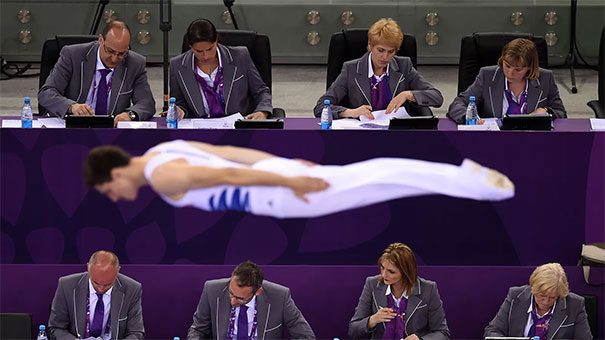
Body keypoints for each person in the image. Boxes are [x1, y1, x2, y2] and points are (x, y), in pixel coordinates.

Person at [83, 139, 515, 219]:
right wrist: (284, 163)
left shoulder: (162, 178)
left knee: (375, 177)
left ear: (116, 172)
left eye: (109, 190)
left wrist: (289, 182)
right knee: (377, 184)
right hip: (274, 174)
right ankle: (466, 183)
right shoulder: (162, 150)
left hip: (275, 195)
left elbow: (227, 172)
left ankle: (469, 179)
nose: (117, 198)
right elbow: (232, 151)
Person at [313, 18, 443, 119]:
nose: (385, 57)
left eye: (391, 52)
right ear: (370, 45)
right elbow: (320, 108)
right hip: (362, 134)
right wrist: (350, 112)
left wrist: (409, 94)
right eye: (380, 50)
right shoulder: (351, 69)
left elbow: (437, 98)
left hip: (395, 133)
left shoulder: (404, 66)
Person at [38, 21, 155, 126]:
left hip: (111, 132)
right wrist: (71, 107)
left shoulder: (135, 63)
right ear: (100, 40)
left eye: (121, 54)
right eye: (110, 51)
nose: (114, 59)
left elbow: (147, 103)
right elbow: (46, 93)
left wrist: (131, 115)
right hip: (74, 128)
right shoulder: (72, 55)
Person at [169, 18, 272, 120]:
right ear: (190, 46)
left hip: (238, 126)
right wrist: (180, 111)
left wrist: (262, 111)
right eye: (199, 51)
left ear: (216, 40)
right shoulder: (177, 66)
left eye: (210, 49)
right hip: (201, 128)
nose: (206, 56)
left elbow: (261, 91)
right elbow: (180, 103)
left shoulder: (240, 57)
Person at [186, 260, 316, 339]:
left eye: (240, 299)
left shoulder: (280, 297)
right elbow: (197, 330)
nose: (233, 301)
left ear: (258, 291)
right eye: (231, 293)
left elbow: (305, 336)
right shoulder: (212, 290)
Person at [448, 38, 566, 124]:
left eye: (518, 69)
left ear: (530, 67)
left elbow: (561, 113)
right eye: (507, 66)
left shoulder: (545, 78)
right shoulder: (487, 75)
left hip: (532, 139)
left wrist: (546, 111)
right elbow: (459, 104)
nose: (510, 73)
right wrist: (468, 117)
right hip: (494, 139)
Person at [349, 243, 450, 340]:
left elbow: (442, 333)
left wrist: (421, 339)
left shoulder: (428, 289)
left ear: (406, 272)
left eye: (391, 272)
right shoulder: (372, 284)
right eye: (382, 267)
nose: (384, 275)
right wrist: (373, 320)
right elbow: (353, 329)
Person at [47, 250, 144, 340]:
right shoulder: (67, 285)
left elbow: (136, 333)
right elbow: (56, 328)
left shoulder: (132, 289)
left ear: (118, 270)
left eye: (107, 284)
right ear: (88, 267)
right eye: (96, 283)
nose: (101, 288)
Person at [484, 263, 592, 340]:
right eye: (541, 296)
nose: (545, 301)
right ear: (533, 289)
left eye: (552, 297)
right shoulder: (515, 296)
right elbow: (493, 331)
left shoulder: (575, 304)